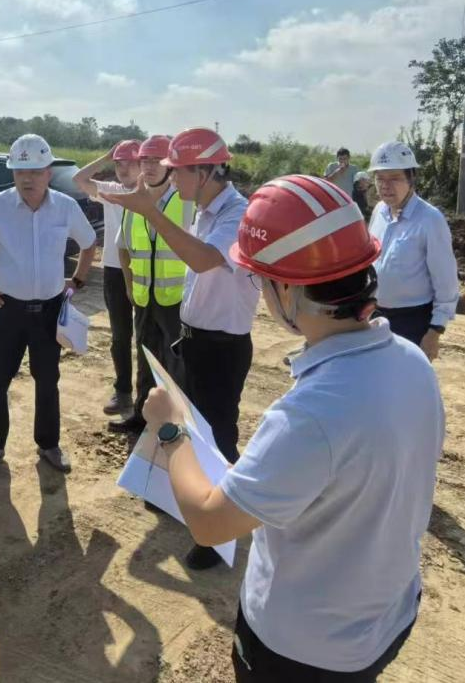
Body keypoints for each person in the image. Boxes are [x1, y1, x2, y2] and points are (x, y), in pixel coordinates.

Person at [144, 173, 444, 681]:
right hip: (386, 614)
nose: (260, 292)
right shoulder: (411, 360)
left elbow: (211, 523)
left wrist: (171, 430)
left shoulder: (310, 413)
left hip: (303, 647)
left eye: (260, 281)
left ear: (288, 289)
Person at [101, 127, 260, 570]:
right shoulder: (206, 211)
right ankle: (181, 495)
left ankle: (220, 532)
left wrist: (151, 212)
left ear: (204, 172)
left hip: (222, 346)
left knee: (218, 436)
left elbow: (202, 259)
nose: (172, 178)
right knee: (188, 425)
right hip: (194, 337)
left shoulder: (237, 215)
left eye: (178, 171)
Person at [0, 134, 97, 476]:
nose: (27, 178)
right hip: (7, 310)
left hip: (49, 312)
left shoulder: (65, 207)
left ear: (48, 172)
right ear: (13, 173)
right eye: (20, 171)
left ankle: (48, 444)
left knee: (47, 380)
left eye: (34, 171)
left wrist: (76, 281)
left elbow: (89, 243)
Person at [109, 134, 194, 434]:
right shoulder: (135, 202)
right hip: (145, 297)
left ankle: (177, 424)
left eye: (157, 160)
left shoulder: (186, 202)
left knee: (176, 363)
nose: (149, 166)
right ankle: (141, 417)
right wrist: (129, 285)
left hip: (176, 300)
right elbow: (123, 248)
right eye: (145, 159)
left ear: (170, 165)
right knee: (146, 359)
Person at [367, 142, 458, 360]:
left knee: (406, 378)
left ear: (411, 178)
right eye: (380, 178)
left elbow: (446, 280)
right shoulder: (379, 211)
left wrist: (435, 331)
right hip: (375, 315)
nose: (385, 186)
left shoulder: (430, 219)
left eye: (394, 178)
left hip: (412, 321)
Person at [73, 139, 142, 417]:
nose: (124, 169)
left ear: (142, 165)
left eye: (131, 163)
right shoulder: (111, 190)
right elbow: (79, 179)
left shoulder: (153, 193)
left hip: (147, 270)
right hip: (114, 270)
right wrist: (106, 156)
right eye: (119, 163)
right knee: (120, 336)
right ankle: (123, 392)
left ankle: (148, 397)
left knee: (148, 337)